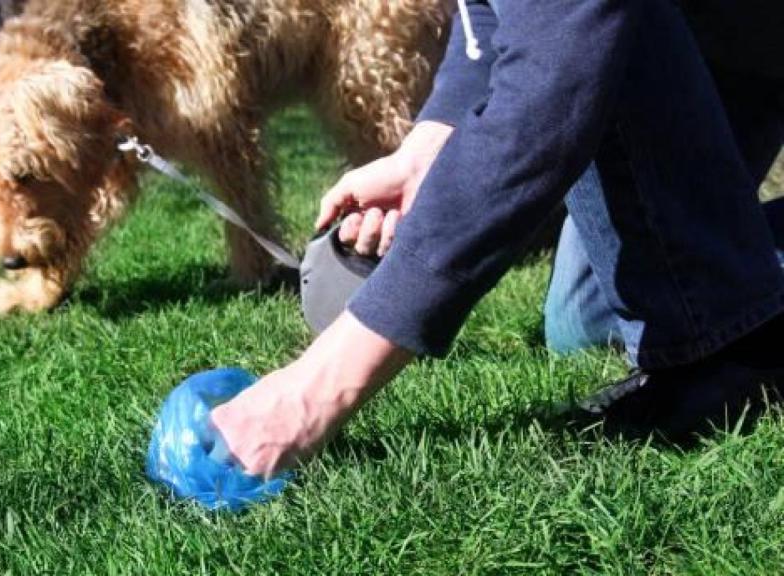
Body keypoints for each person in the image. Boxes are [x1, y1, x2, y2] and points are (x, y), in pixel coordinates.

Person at [211, 0, 784, 478]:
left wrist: (316, 390)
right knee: (583, 323)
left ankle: (732, 343)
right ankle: (736, 285)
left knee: (697, 330)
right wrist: (426, 146)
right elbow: (491, 11)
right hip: (696, 34)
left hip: (721, 40)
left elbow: (549, 95)